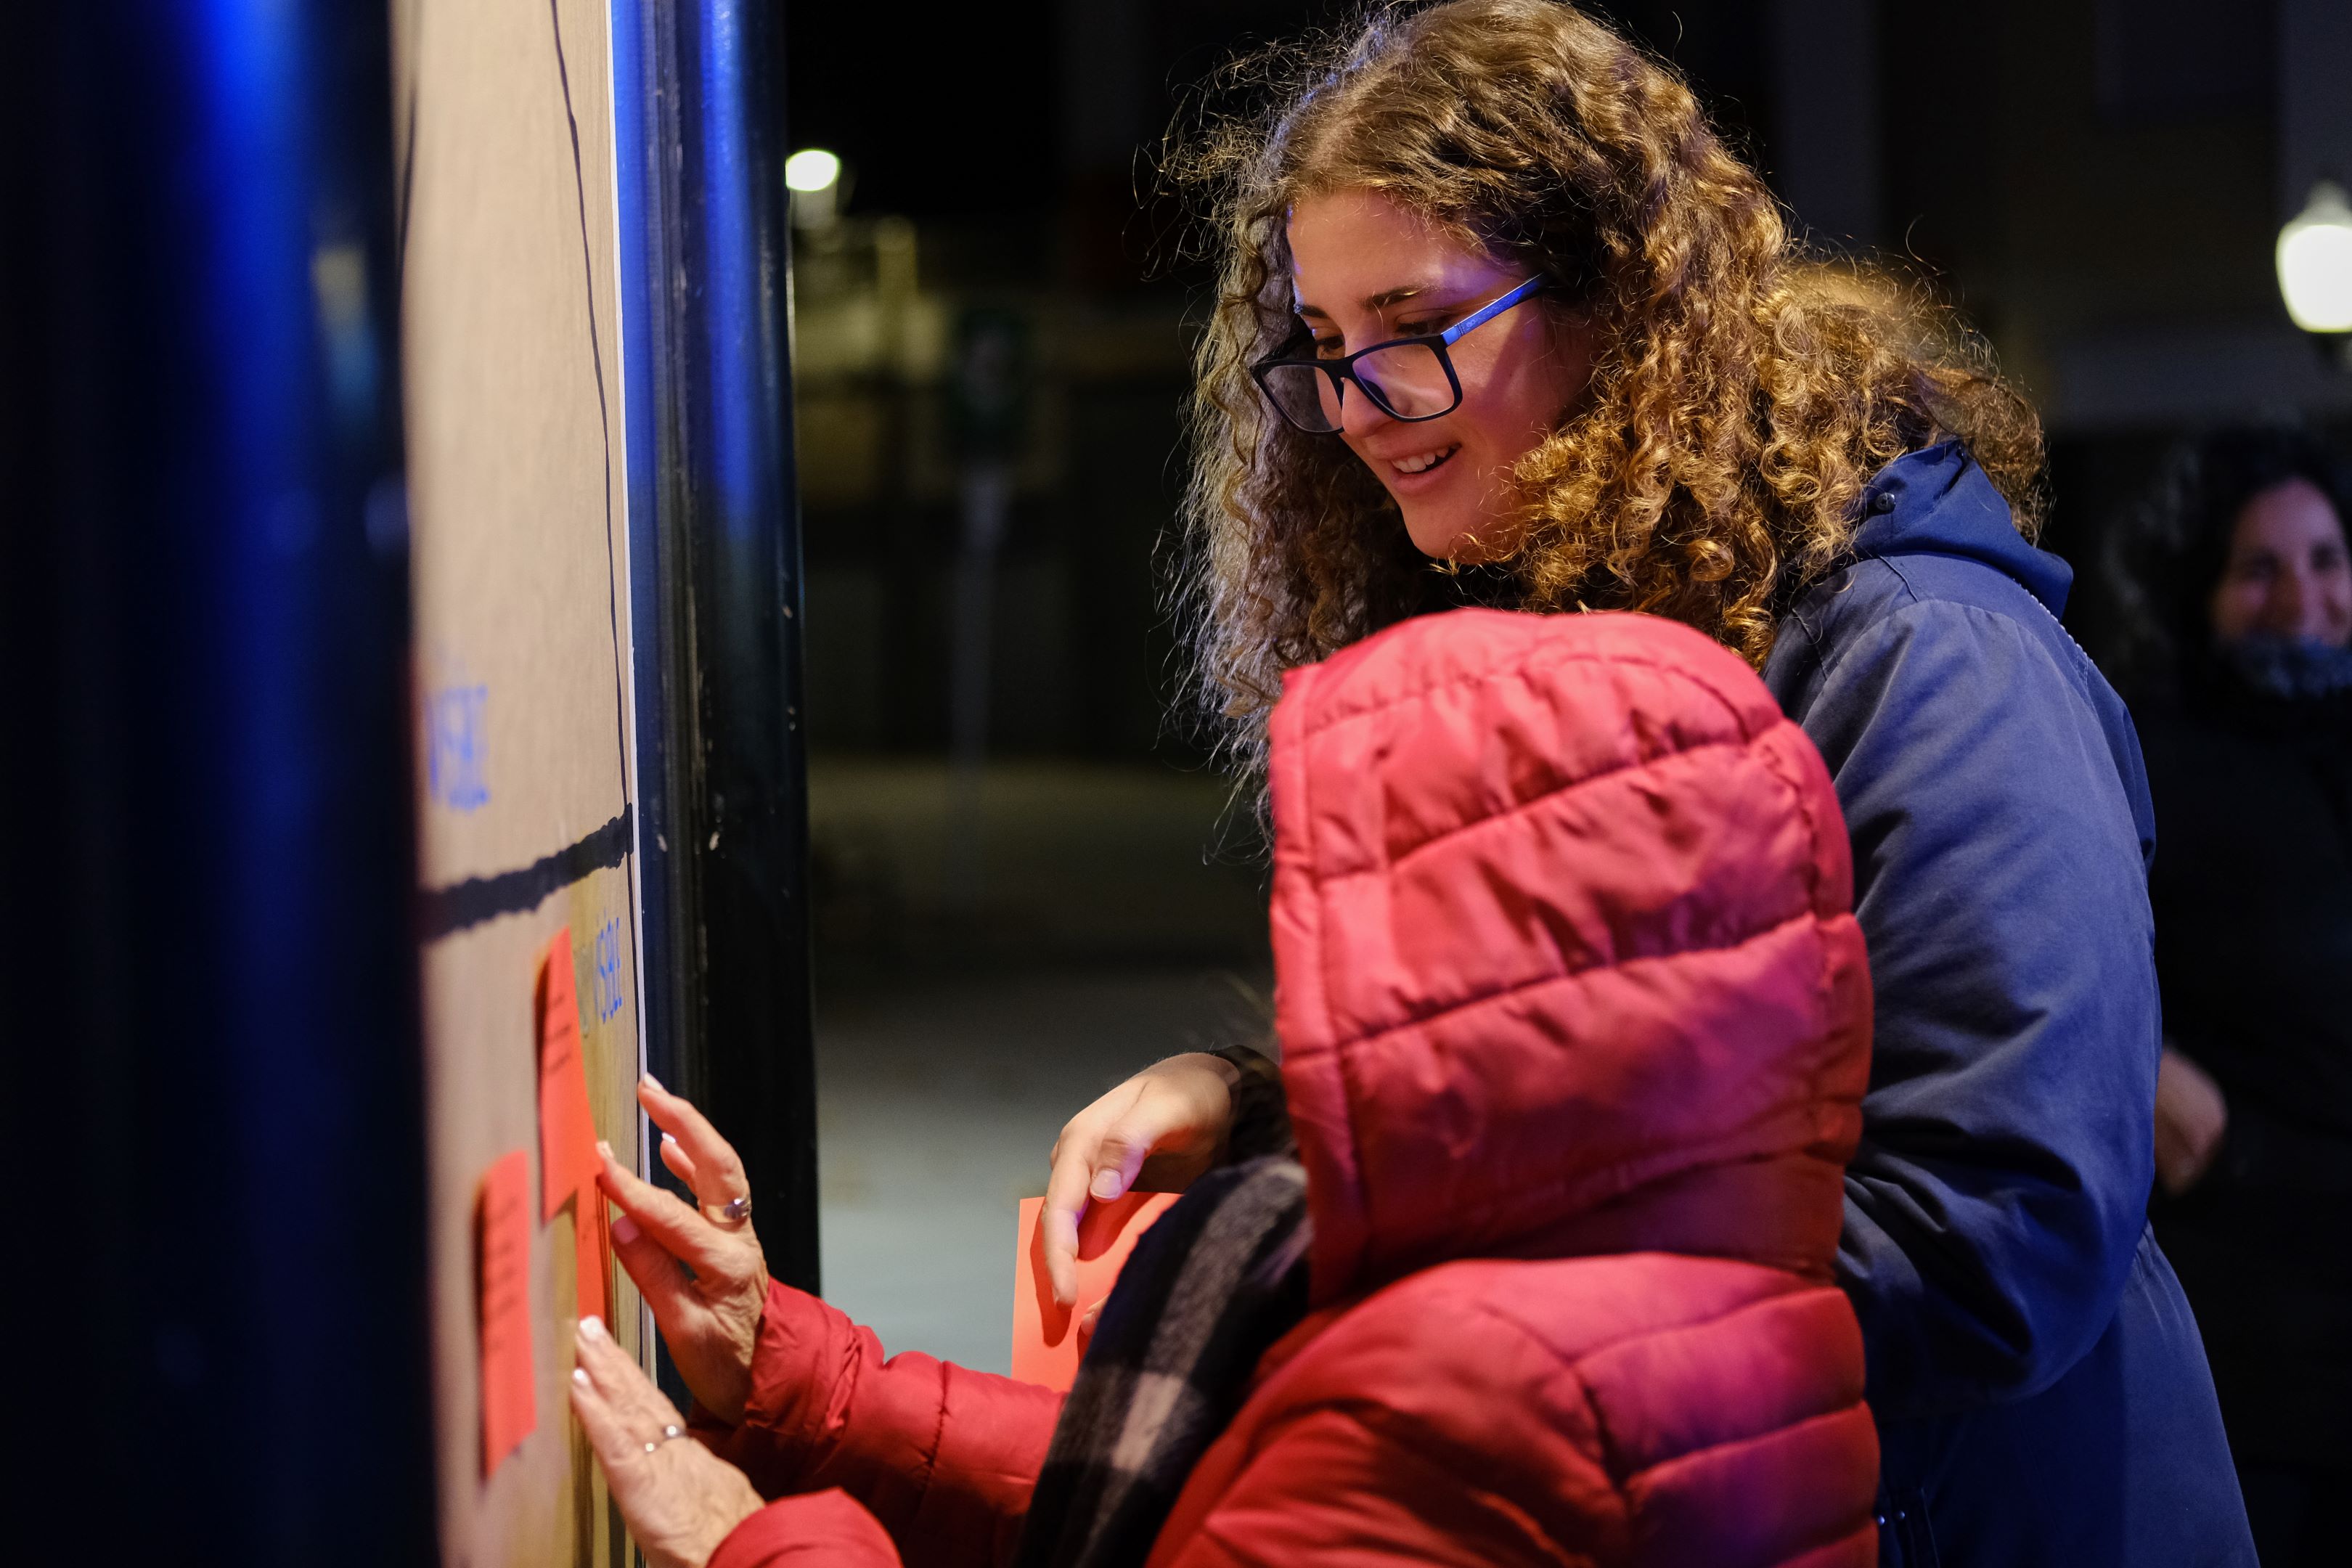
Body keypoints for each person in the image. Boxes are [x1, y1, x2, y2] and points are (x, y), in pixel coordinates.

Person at [1037, 1, 2253, 1562]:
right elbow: (1598, 1103)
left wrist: (1471, 1336)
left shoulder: (1925, 652)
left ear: (1618, 299)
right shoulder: (1562, 616)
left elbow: (1998, 1233)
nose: (1353, 407)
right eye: (1325, 346)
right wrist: (1275, 1117)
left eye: (1411, 327)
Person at [572, 607, 1882, 1567]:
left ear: (1499, 973)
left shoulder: (1469, 1390)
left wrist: (750, 1548)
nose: (1302, 979)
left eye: (1367, 904)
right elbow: (1208, 1506)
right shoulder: (1704, 1293)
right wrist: (814, 1386)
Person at [2101, 425, 2352, 1567]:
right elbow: (2060, 952)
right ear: (2200, 591)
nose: (2303, 596)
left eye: (2326, 560)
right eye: (2260, 568)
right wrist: (2140, 1066)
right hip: (2255, 1308)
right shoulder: (2150, 756)